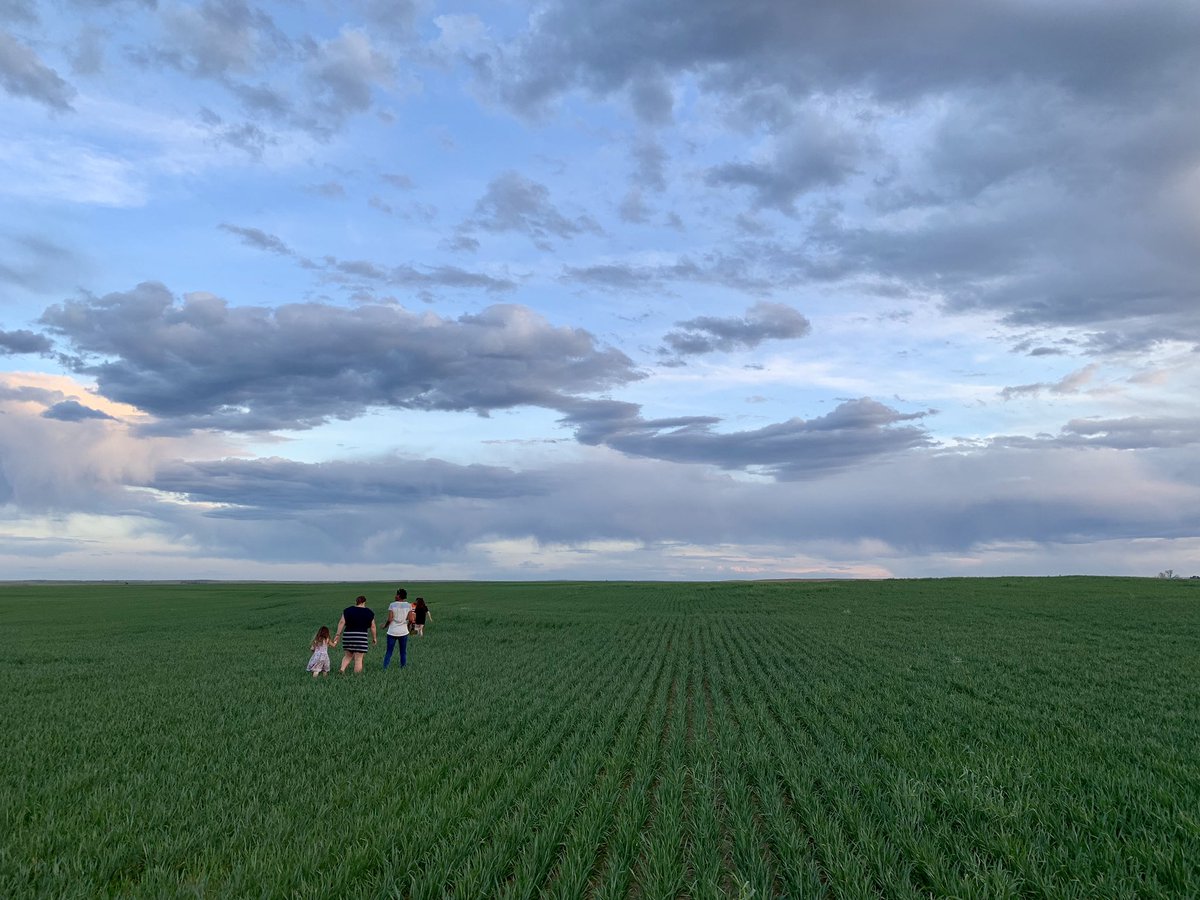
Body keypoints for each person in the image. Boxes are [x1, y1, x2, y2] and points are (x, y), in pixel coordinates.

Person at [334, 595, 376, 674]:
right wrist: (374, 638)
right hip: (361, 637)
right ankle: (356, 676)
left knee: (348, 655)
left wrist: (338, 634)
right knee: (358, 658)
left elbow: (342, 622)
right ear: (364, 602)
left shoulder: (347, 610)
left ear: (356, 602)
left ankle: (342, 669)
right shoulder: (369, 612)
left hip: (348, 636)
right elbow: (373, 627)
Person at [382, 588, 411, 670]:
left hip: (392, 632)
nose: (395, 596)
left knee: (389, 651)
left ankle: (385, 668)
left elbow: (390, 619)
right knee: (403, 652)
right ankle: (403, 667)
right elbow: (411, 619)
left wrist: (385, 626)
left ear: (399, 596)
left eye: (396, 594)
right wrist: (409, 627)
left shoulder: (392, 605)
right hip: (404, 632)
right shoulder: (409, 605)